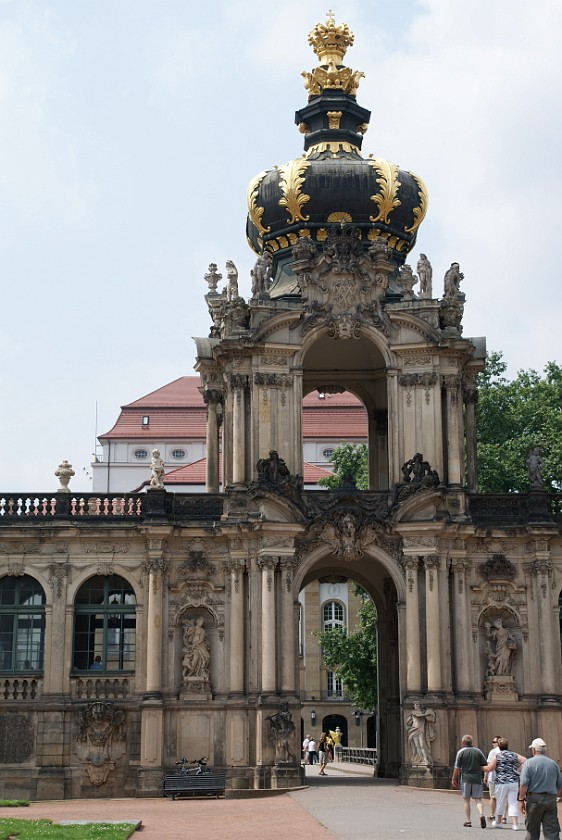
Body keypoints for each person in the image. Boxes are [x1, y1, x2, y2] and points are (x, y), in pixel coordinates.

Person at [518, 737, 562, 840]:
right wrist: (555, 796)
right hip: (550, 799)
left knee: (532, 831)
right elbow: (560, 786)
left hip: (534, 799)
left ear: (533, 750)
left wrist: (521, 800)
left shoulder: (528, 763)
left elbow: (523, 784)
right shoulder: (554, 764)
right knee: (552, 832)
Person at [484, 737, 526, 830]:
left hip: (501, 781)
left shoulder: (497, 756)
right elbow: (525, 760)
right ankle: (515, 824)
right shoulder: (513, 754)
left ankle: (498, 822)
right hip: (513, 781)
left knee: (500, 802)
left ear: (499, 746)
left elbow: (490, 768)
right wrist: (518, 770)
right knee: (513, 802)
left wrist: (481, 767)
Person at [451, 734, 488, 829]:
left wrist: (454, 778)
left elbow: (457, 768)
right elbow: (484, 764)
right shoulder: (478, 751)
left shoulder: (461, 752)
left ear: (463, 742)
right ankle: (481, 814)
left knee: (466, 800)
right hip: (477, 778)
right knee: (478, 799)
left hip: (466, 778)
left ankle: (468, 821)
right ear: (472, 742)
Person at [484, 736, 502, 822]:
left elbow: (488, 765)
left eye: (494, 742)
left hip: (494, 777)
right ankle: (504, 817)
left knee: (493, 797)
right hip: (504, 777)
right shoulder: (507, 751)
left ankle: (492, 814)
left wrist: (485, 776)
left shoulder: (493, 752)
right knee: (503, 797)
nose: (493, 744)